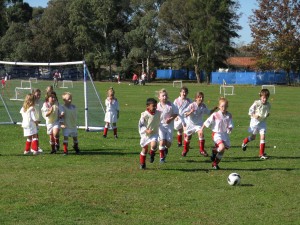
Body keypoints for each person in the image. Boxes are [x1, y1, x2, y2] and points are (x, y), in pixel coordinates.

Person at [199, 97, 233, 170]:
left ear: (227, 106)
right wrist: (201, 129)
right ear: (219, 106)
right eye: (222, 106)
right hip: (216, 134)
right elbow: (207, 121)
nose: (224, 108)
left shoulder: (229, 115)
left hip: (225, 135)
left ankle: (215, 163)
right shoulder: (215, 114)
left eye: (225, 106)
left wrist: (230, 128)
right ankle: (215, 152)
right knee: (222, 147)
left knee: (222, 151)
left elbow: (230, 124)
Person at [182, 92, 217, 157]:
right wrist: (190, 112)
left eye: (202, 97)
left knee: (201, 134)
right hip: (190, 124)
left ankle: (202, 150)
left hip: (199, 124)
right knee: (188, 137)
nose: (201, 98)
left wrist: (214, 109)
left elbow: (208, 112)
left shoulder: (203, 106)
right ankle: (185, 150)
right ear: (196, 98)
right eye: (199, 97)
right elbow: (185, 113)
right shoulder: (191, 105)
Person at [241, 89, 271, 159]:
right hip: (255, 122)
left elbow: (266, 111)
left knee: (263, 136)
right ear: (260, 97)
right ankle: (245, 141)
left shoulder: (268, 105)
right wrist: (254, 115)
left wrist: (267, 114)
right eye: (263, 98)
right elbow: (250, 111)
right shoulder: (257, 103)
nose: (265, 99)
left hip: (262, 122)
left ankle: (261, 154)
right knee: (253, 137)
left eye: (266, 98)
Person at [156, 89, 178, 162]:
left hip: (169, 126)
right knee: (162, 142)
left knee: (168, 144)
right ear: (159, 97)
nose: (164, 97)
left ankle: (165, 149)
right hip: (160, 126)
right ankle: (162, 158)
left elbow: (176, 113)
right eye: (163, 96)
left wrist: (171, 119)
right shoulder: (157, 106)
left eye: (165, 95)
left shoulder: (171, 105)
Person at [138, 98, 161, 169]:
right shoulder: (144, 115)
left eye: (155, 106)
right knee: (144, 149)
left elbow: (163, 117)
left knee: (154, 145)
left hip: (154, 133)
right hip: (145, 134)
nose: (155, 107)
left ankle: (152, 153)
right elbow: (141, 125)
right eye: (153, 106)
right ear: (148, 106)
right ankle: (142, 163)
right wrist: (146, 130)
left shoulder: (158, 113)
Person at [32, 88, 43, 153]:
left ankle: (35, 147)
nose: (38, 96)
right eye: (37, 95)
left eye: (39, 95)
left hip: (36, 121)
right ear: (33, 94)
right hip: (32, 121)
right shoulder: (31, 102)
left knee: (35, 133)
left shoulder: (40, 102)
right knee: (34, 134)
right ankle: (35, 147)